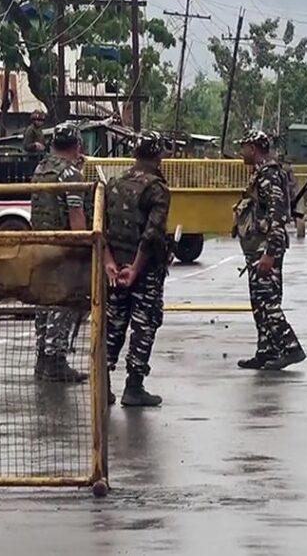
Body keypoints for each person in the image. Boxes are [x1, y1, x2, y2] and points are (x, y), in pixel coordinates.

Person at [103, 131, 170, 407]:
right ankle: (134, 386)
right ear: (158, 155)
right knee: (144, 324)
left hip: (115, 269)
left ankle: (103, 385)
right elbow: (152, 234)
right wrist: (136, 268)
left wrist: (109, 263)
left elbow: (101, 228)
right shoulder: (156, 188)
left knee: (113, 324)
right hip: (144, 271)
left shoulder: (114, 183)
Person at [232, 129, 306, 371]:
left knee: (268, 301)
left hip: (265, 248)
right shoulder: (260, 173)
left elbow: (277, 217)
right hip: (256, 247)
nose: (241, 152)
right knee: (258, 302)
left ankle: (291, 347)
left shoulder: (270, 175)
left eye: (244, 147)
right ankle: (266, 350)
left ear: (253, 148)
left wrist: (270, 254)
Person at [30, 123, 89, 383]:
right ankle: (56, 361)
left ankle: (43, 359)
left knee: (43, 302)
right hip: (63, 247)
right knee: (62, 303)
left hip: (39, 245)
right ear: (77, 146)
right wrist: (83, 247)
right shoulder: (70, 174)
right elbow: (76, 214)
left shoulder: (41, 169)